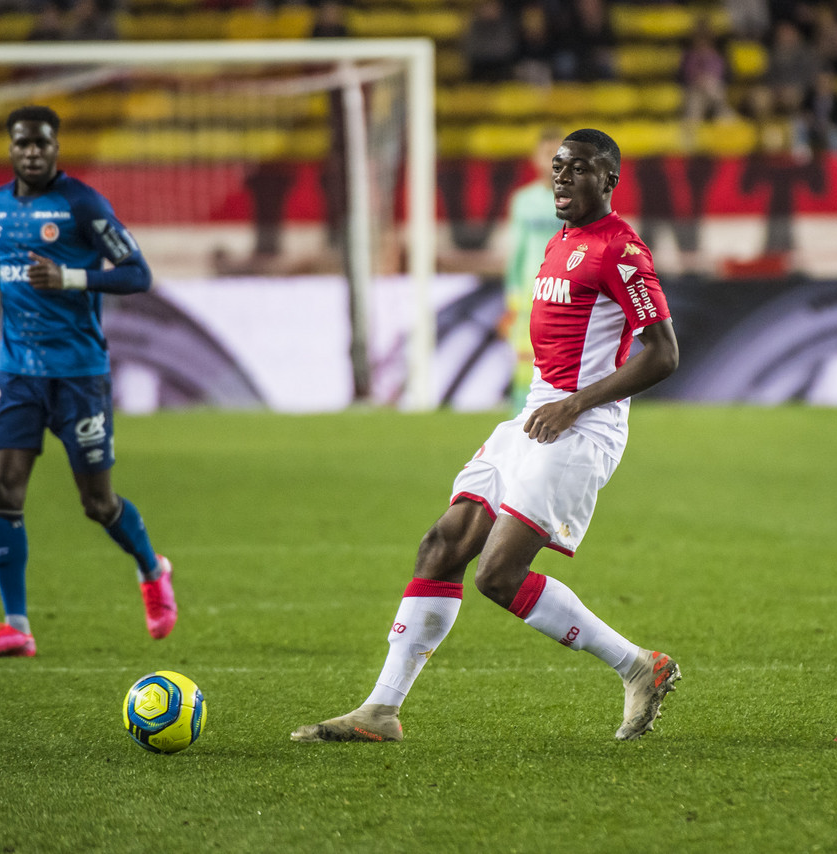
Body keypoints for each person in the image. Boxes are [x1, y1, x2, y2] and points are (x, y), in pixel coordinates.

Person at [291, 128, 681, 744]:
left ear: (607, 180)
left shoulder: (621, 251)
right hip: (534, 417)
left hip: (582, 427)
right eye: (557, 166)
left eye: (577, 168)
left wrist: (576, 404)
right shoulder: (561, 241)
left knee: (497, 575)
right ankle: (380, 711)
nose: (561, 177)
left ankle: (639, 666)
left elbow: (663, 355)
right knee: (441, 545)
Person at [0, 106, 176, 658]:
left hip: (78, 375)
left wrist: (72, 276)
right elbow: (14, 265)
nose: (32, 152)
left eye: (42, 144)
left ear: (56, 148)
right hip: (16, 371)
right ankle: (16, 626)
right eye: (23, 144)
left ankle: (151, 567)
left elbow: (137, 273)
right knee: (3, 487)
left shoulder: (83, 205)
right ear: (10, 148)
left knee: (97, 504)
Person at [501, 127, 567, 414]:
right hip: (529, 297)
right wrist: (512, 302)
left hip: (567, 296)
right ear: (534, 159)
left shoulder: (580, 201)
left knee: (563, 370)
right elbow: (516, 255)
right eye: (546, 154)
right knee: (525, 370)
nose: (552, 161)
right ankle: (519, 429)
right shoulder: (523, 201)